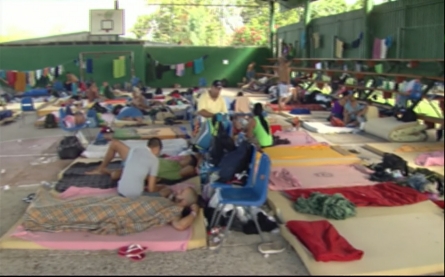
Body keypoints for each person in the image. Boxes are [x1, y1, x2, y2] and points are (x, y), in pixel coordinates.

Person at [86, 138, 163, 195]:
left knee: (116, 174)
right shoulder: (154, 160)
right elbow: (151, 189)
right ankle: (102, 169)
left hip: (122, 189)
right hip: (137, 190)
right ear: (157, 149)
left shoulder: (136, 150)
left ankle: (103, 169)